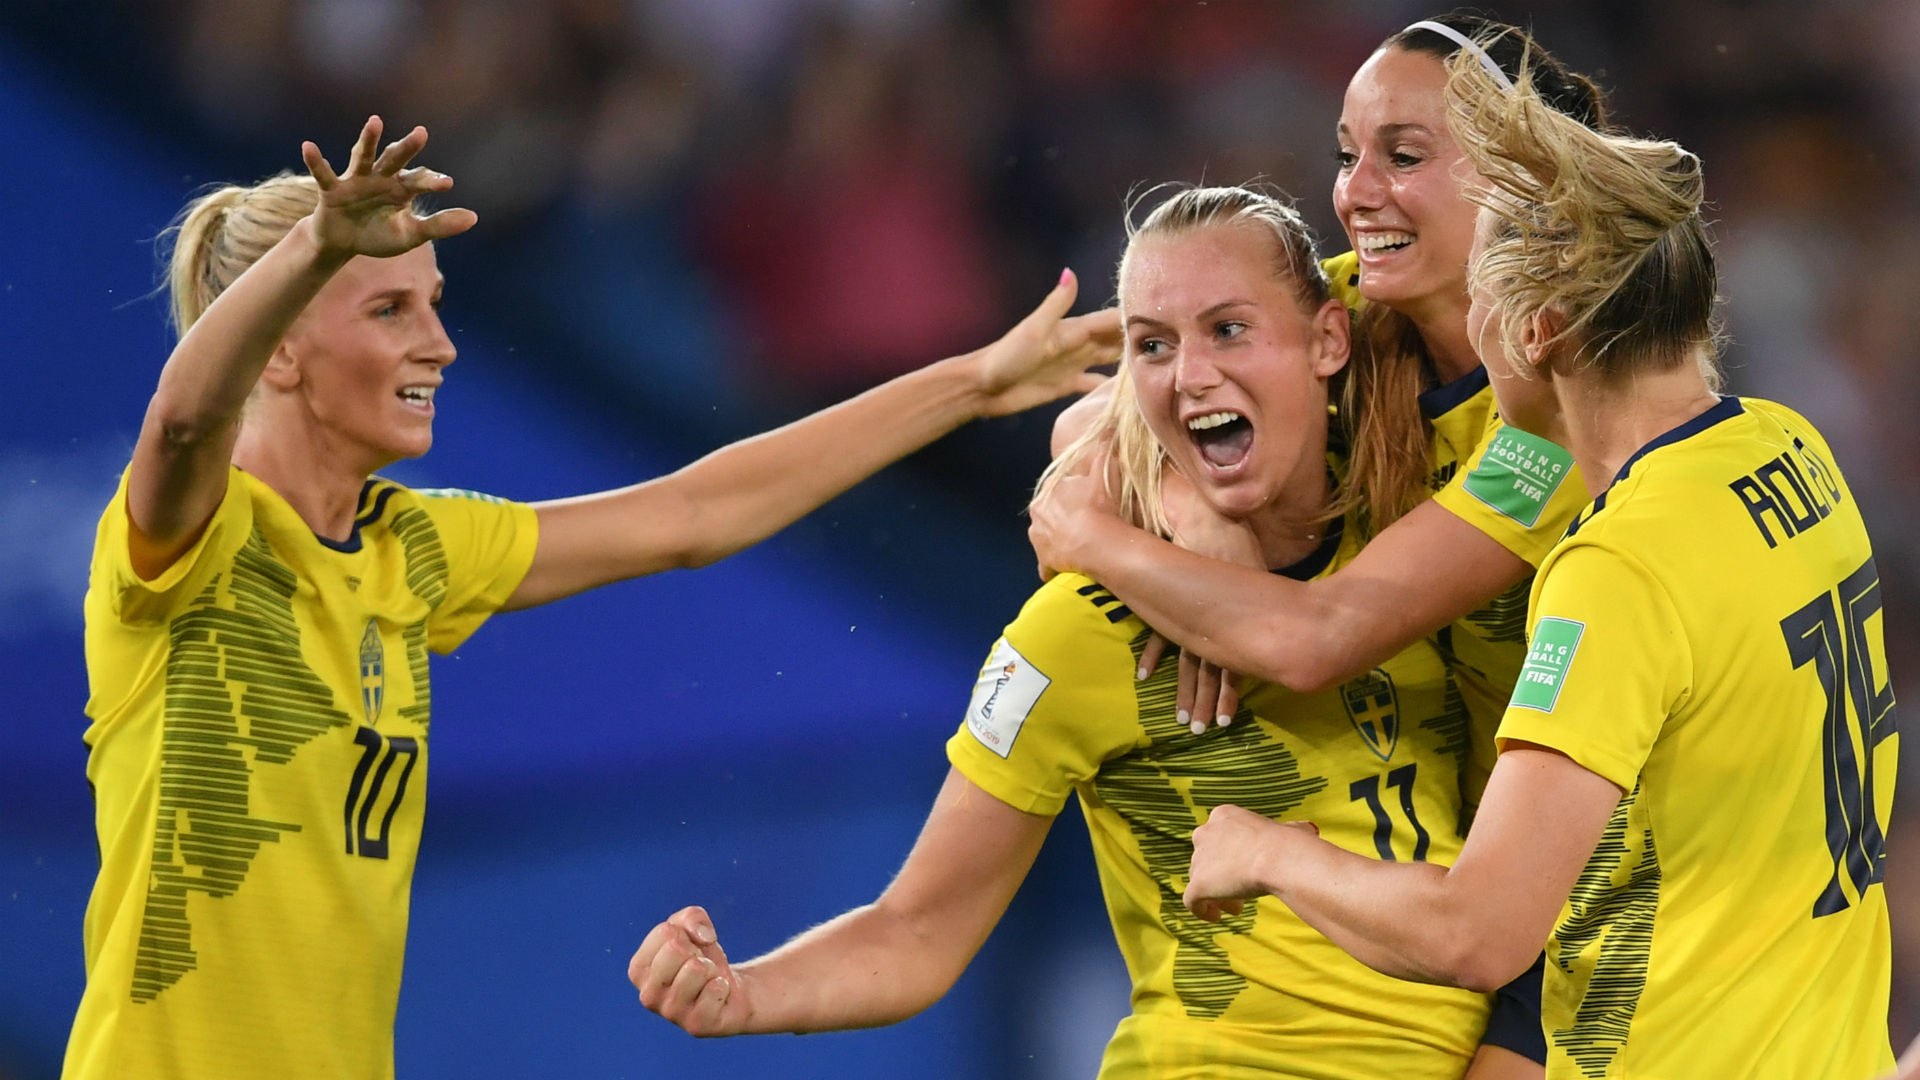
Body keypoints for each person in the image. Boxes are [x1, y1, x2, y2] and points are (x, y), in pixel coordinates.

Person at [66, 116, 1118, 1080]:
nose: (439, 344)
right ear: (282, 345)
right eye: (389, 309)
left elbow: (694, 513)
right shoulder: (192, 543)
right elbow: (182, 423)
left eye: (434, 305)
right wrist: (313, 247)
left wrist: (975, 383)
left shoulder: (413, 548)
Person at [632, 183, 1542, 1079]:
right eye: (1153, 345)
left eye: (1229, 329)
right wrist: (746, 993)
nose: (1190, 375)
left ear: (1328, 340)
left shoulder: (1411, 545)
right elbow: (917, 929)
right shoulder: (1076, 632)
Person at [1183, 36, 1898, 1079]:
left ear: (1541, 327)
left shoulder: (1619, 567)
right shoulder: (1792, 452)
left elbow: (1477, 931)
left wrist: (1268, 850)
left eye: (1485, 294)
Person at [1030, 17, 1606, 818]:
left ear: (1523, 175)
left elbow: (1318, 640)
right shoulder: (1357, 305)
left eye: (1403, 157)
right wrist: (1194, 510)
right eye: (1347, 155)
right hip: (1480, 837)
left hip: (1636, 846)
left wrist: (1094, 540)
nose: (1354, 193)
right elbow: (1095, 419)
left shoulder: (1569, 396)